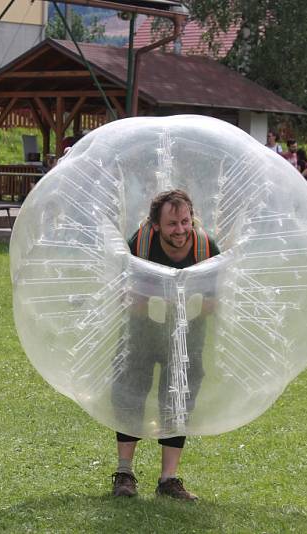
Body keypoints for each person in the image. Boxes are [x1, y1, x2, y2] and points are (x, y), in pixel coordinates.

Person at [110, 189, 220, 501]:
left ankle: (168, 479)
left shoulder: (204, 246)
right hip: (141, 333)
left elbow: (215, 301)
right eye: (172, 224)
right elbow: (125, 297)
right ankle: (124, 473)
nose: (181, 229)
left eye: (185, 221)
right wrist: (155, 302)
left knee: (179, 400)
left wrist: (185, 303)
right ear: (156, 225)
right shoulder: (141, 244)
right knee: (129, 395)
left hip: (187, 337)